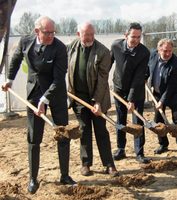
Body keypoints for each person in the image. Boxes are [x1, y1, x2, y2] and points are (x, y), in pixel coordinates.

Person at [1, 16, 76, 194]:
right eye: (46, 33)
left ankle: (64, 175)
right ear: (37, 32)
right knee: (34, 137)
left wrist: (45, 99)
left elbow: (59, 78)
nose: (50, 36)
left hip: (55, 94)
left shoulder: (59, 48)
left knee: (63, 133)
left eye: (52, 32)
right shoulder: (26, 41)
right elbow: (16, 59)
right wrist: (9, 79)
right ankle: (33, 178)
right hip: (34, 92)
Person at [66, 22, 119, 177]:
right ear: (78, 34)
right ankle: (86, 164)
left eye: (92, 34)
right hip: (78, 97)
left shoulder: (102, 51)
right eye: (86, 34)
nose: (89, 38)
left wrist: (97, 101)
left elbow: (103, 79)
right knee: (84, 131)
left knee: (101, 131)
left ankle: (109, 165)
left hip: (98, 97)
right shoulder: (70, 48)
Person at [110, 22, 150, 164]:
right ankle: (121, 149)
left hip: (136, 90)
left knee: (137, 121)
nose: (136, 40)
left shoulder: (144, 52)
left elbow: (139, 77)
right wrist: (102, 83)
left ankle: (139, 152)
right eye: (133, 37)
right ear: (126, 35)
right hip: (119, 88)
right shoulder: (116, 46)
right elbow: (108, 64)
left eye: (139, 37)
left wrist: (131, 99)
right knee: (120, 120)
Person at [145, 38, 177, 158]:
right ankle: (163, 144)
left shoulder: (176, 65)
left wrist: (162, 101)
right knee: (159, 120)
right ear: (158, 50)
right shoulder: (152, 55)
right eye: (165, 51)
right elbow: (148, 68)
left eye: (170, 51)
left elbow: (171, 87)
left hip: (173, 94)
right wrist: (145, 76)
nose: (168, 53)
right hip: (157, 93)